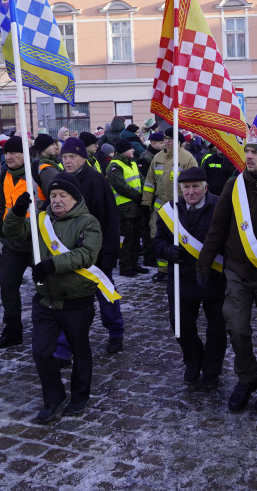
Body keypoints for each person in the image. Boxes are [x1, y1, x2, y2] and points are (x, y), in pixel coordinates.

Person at [198, 125, 257, 413]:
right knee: (237, 329)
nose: (248, 156)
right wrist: (203, 265)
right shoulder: (233, 185)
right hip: (236, 270)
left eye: (255, 152)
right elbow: (218, 226)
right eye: (247, 150)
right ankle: (247, 378)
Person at [3, 174, 104, 423]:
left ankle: (80, 395)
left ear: (75, 198)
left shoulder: (88, 222)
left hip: (76, 299)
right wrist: (16, 212)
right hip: (45, 300)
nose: (57, 200)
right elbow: (13, 232)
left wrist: (51, 265)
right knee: (41, 352)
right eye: (54, 196)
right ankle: (54, 397)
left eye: (63, 196)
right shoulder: (42, 220)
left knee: (79, 350)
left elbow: (86, 254)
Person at [154, 167, 227, 388]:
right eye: (186, 187)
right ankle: (193, 362)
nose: (191, 191)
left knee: (217, 329)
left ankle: (212, 370)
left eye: (196, 186)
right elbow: (157, 241)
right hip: (181, 279)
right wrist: (166, 251)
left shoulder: (220, 207)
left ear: (206, 187)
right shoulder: (170, 211)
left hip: (215, 278)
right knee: (180, 326)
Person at [60, 137, 124, 354]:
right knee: (67, 299)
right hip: (68, 253)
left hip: (96, 252)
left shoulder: (97, 180)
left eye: (72, 157)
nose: (68, 161)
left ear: (82, 158)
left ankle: (115, 331)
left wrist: (109, 252)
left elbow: (110, 218)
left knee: (106, 295)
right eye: (65, 157)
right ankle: (65, 345)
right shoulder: (61, 180)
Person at [0, 135, 36, 349]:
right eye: (7, 153)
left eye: (14, 152)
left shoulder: (38, 173)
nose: (9, 157)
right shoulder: (4, 175)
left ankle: (51, 331)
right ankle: (12, 331)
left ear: (25, 154)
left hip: (37, 242)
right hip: (12, 242)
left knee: (46, 287)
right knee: (7, 287)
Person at [142, 127, 198, 283]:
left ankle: (181, 268)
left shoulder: (187, 158)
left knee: (178, 238)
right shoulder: (158, 157)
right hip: (159, 207)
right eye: (165, 139)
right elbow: (149, 181)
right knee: (157, 236)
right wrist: (146, 201)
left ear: (178, 141)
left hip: (179, 207)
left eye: (170, 139)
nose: (166, 141)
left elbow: (194, 183)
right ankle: (163, 270)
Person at [108, 139, 148, 277]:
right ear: (123, 151)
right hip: (124, 209)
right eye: (130, 149)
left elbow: (142, 180)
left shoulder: (133, 163)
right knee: (126, 239)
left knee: (136, 237)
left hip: (136, 207)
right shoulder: (114, 166)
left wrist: (145, 194)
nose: (133, 150)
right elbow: (121, 186)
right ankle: (125, 267)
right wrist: (139, 196)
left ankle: (134, 263)